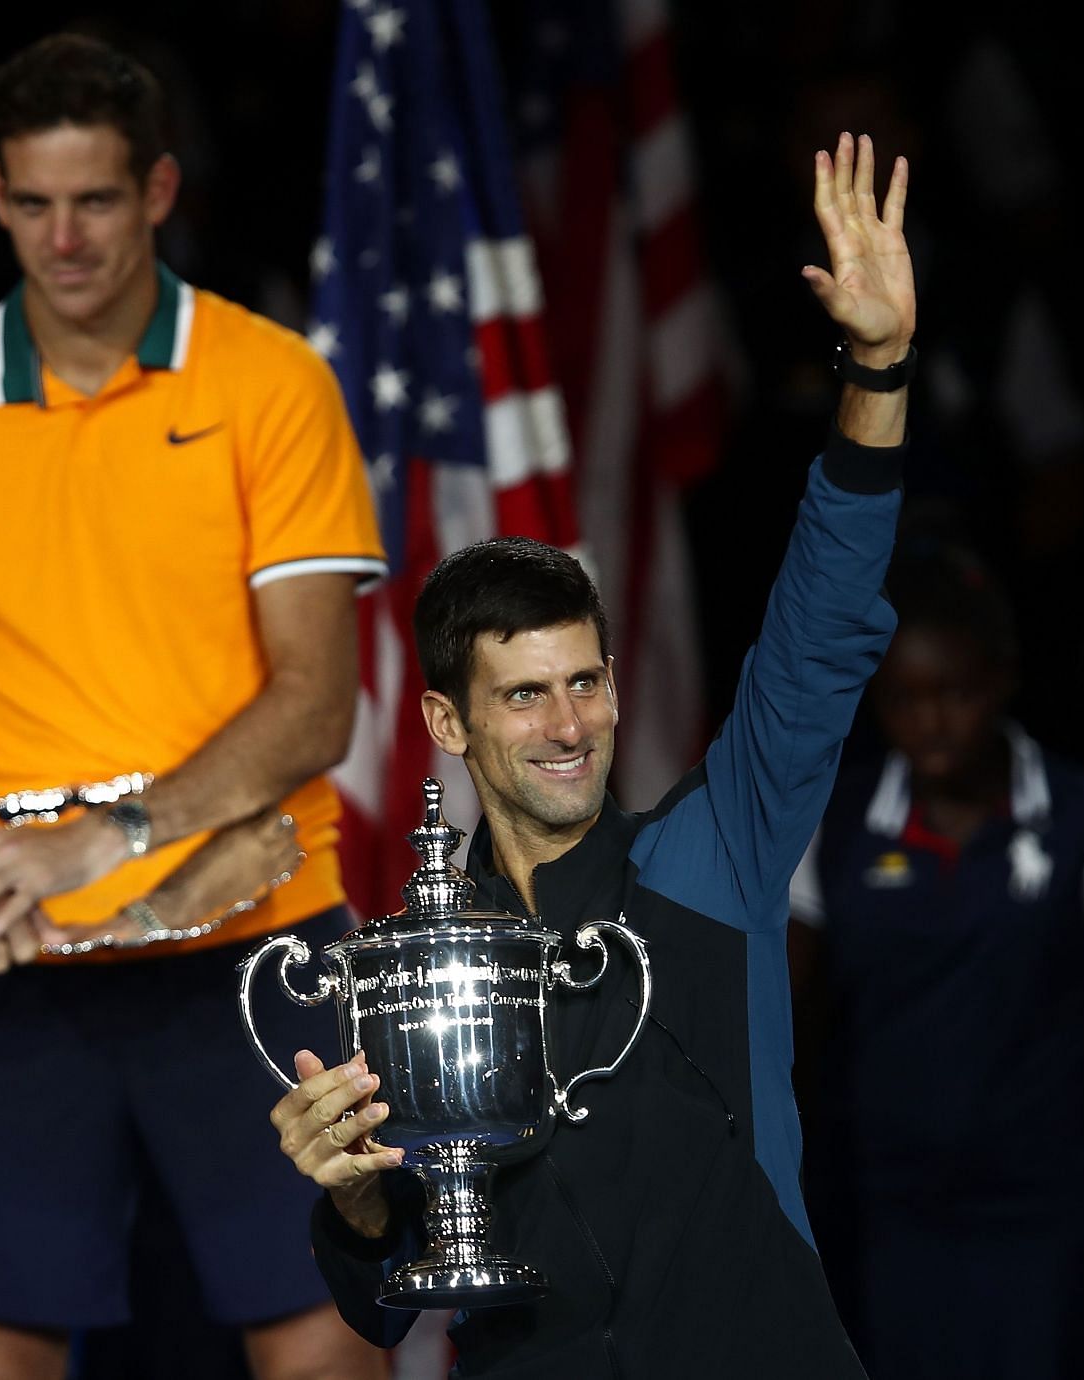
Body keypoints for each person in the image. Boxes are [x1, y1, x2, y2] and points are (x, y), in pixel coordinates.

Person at [269, 132, 912, 1378]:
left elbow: (821, 624)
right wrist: (348, 1197)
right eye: (523, 697)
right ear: (448, 723)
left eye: (586, 684)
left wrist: (876, 366)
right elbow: (388, 1299)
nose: (569, 727)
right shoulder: (412, 962)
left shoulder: (711, 856)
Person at [0, 32, 389, 1380]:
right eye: (31, 203)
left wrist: (109, 835)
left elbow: (319, 705)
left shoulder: (273, 380)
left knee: (328, 1332)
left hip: (264, 940)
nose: (63, 238)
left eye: (93, 200)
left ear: (158, 191)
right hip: (22, 964)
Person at [786, 541, 1084, 1380]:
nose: (933, 721)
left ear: (1005, 680)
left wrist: (1045, 1071)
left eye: (957, 694)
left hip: (1052, 1217)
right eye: (905, 699)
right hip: (887, 1214)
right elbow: (792, 1028)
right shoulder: (838, 824)